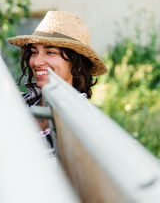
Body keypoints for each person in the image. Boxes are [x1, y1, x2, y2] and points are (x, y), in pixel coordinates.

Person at [7, 10, 107, 152]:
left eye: (50, 52)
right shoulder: (16, 103)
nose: (37, 62)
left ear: (76, 62)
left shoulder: (84, 123)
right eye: (34, 52)